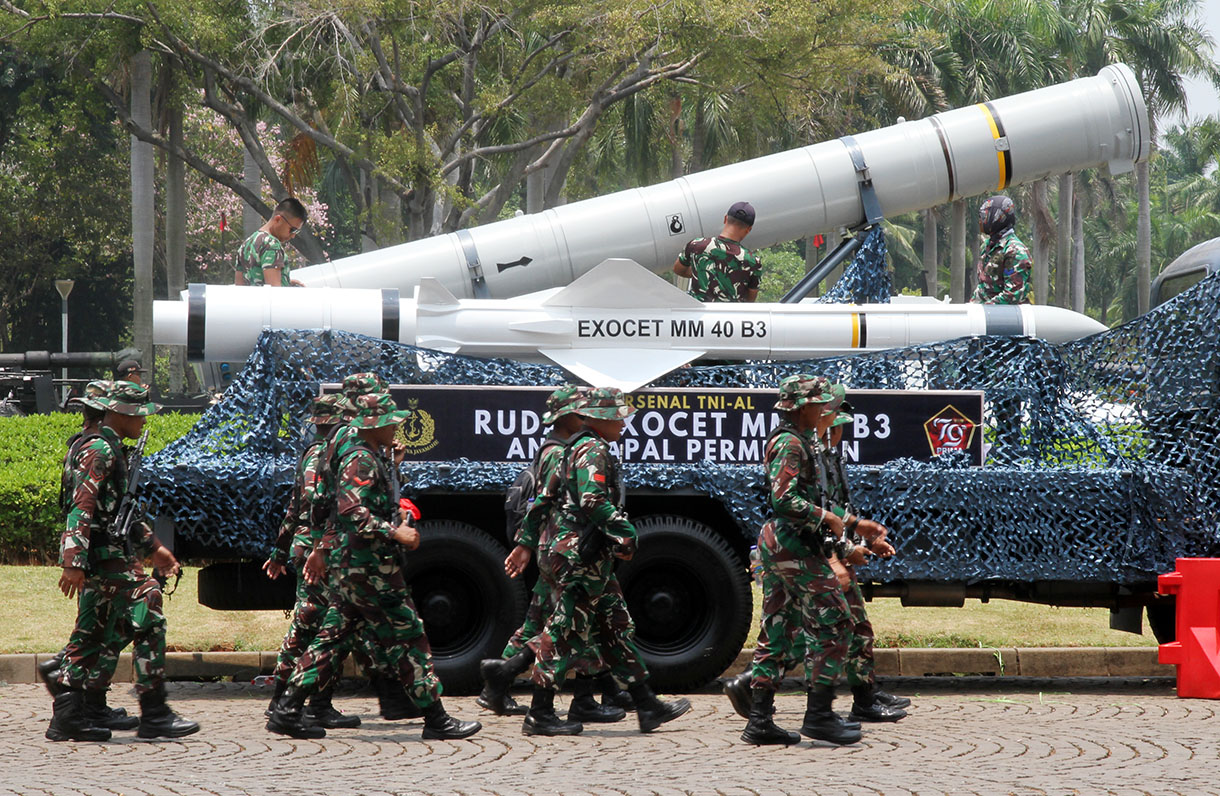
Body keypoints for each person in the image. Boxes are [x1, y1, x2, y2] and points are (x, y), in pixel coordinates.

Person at [266, 391, 480, 741]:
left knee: (332, 637)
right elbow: (351, 512)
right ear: (374, 424)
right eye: (391, 420)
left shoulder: (356, 452)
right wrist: (396, 532)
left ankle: (287, 708)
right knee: (410, 634)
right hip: (369, 568)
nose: (397, 424)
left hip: (353, 566)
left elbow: (326, 505)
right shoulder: (359, 458)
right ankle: (437, 719)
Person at [484, 387, 689, 737]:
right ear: (599, 418)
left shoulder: (571, 449)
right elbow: (592, 500)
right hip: (580, 556)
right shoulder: (592, 450)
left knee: (615, 626)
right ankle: (540, 712)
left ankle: (645, 703)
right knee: (563, 632)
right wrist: (626, 533)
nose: (623, 423)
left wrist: (526, 543)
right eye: (617, 416)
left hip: (574, 553)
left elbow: (543, 499)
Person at [44, 381, 198, 742]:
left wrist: (153, 546)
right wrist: (73, 561)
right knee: (149, 605)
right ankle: (155, 711)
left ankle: (70, 714)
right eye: (137, 413)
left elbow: (119, 508)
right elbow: (81, 506)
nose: (142, 420)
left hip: (106, 555)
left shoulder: (109, 448)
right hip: (103, 557)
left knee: (94, 633)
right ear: (116, 413)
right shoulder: (99, 450)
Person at [480, 385, 630, 721]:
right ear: (568, 417)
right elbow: (550, 503)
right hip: (563, 548)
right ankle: (517, 687)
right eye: (580, 413)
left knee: (544, 621)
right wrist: (529, 544)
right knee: (567, 623)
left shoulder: (563, 448)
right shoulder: (557, 453)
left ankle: (501, 682)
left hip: (556, 547)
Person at [736, 374, 858, 746]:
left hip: (784, 546)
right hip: (794, 546)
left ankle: (759, 720)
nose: (825, 409)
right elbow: (783, 499)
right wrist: (828, 518)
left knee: (777, 629)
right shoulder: (791, 443)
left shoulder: (801, 440)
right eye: (820, 403)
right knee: (835, 620)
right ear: (804, 406)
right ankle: (819, 714)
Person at [820, 395, 909, 722]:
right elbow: (817, 513)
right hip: (817, 558)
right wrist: (847, 550)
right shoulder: (811, 459)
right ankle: (824, 711)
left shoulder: (830, 458)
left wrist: (864, 537)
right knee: (823, 633)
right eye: (835, 426)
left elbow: (839, 512)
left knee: (855, 626)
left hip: (831, 553)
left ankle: (865, 694)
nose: (839, 433)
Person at [672, 201, 762, 302]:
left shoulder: (697, 245)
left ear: (725, 218)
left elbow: (678, 269)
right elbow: (750, 300)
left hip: (697, 316)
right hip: (729, 317)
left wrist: (703, 272)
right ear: (748, 229)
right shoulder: (753, 262)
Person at [971, 195, 1032, 305]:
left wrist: (984, 311)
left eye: (984, 216)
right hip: (984, 315)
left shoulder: (1015, 251)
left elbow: (1013, 295)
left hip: (1004, 318)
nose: (980, 221)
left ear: (997, 217)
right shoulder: (987, 246)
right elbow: (982, 288)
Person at [234, 197, 308, 287]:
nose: (293, 235)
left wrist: (286, 281)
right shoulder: (271, 245)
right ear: (278, 219)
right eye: (292, 230)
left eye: (297, 232)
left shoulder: (246, 244)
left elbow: (239, 288)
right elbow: (274, 293)